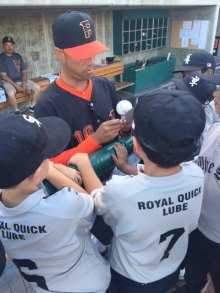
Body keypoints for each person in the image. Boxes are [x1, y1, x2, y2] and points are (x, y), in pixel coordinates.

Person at [69, 89, 206, 293]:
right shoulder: (196, 174)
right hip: (172, 268)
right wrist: (127, 168)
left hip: (132, 278)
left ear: (135, 145)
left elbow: (97, 198)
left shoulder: (122, 190)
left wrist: (83, 162)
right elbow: (159, 183)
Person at [0, 114, 110, 293]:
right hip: (90, 286)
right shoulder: (62, 206)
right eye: (47, 157)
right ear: (37, 173)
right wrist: (54, 171)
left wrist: (47, 168)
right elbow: (95, 204)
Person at [34, 11, 127, 168]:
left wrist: (124, 129)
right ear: (60, 54)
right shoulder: (47, 104)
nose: (90, 61)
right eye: (82, 54)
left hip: (117, 172)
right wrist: (94, 141)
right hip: (79, 189)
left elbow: (120, 133)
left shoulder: (105, 85)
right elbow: (48, 165)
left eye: (91, 52)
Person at [181, 74, 220, 293]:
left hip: (218, 237)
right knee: (194, 274)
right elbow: (198, 165)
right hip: (198, 223)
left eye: (219, 90)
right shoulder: (215, 127)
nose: (214, 94)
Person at [173, 73, 218, 152]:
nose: (175, 93)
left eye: (184, 95)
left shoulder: (206, 135)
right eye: (178, 89)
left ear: (203, 106)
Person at [0, 36, 40, 114]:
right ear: (3, 46)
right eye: (7, 45)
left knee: (37, 87)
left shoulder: (17, 56)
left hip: (21, 80)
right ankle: (17, 111)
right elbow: (4, 76)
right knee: (10, 93)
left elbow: (24, 71)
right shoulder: (1, 58)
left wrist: (24, 83)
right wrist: (17, 86)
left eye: (11, 45)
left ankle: (33, 106)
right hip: (8, 82)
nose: (9, 47)